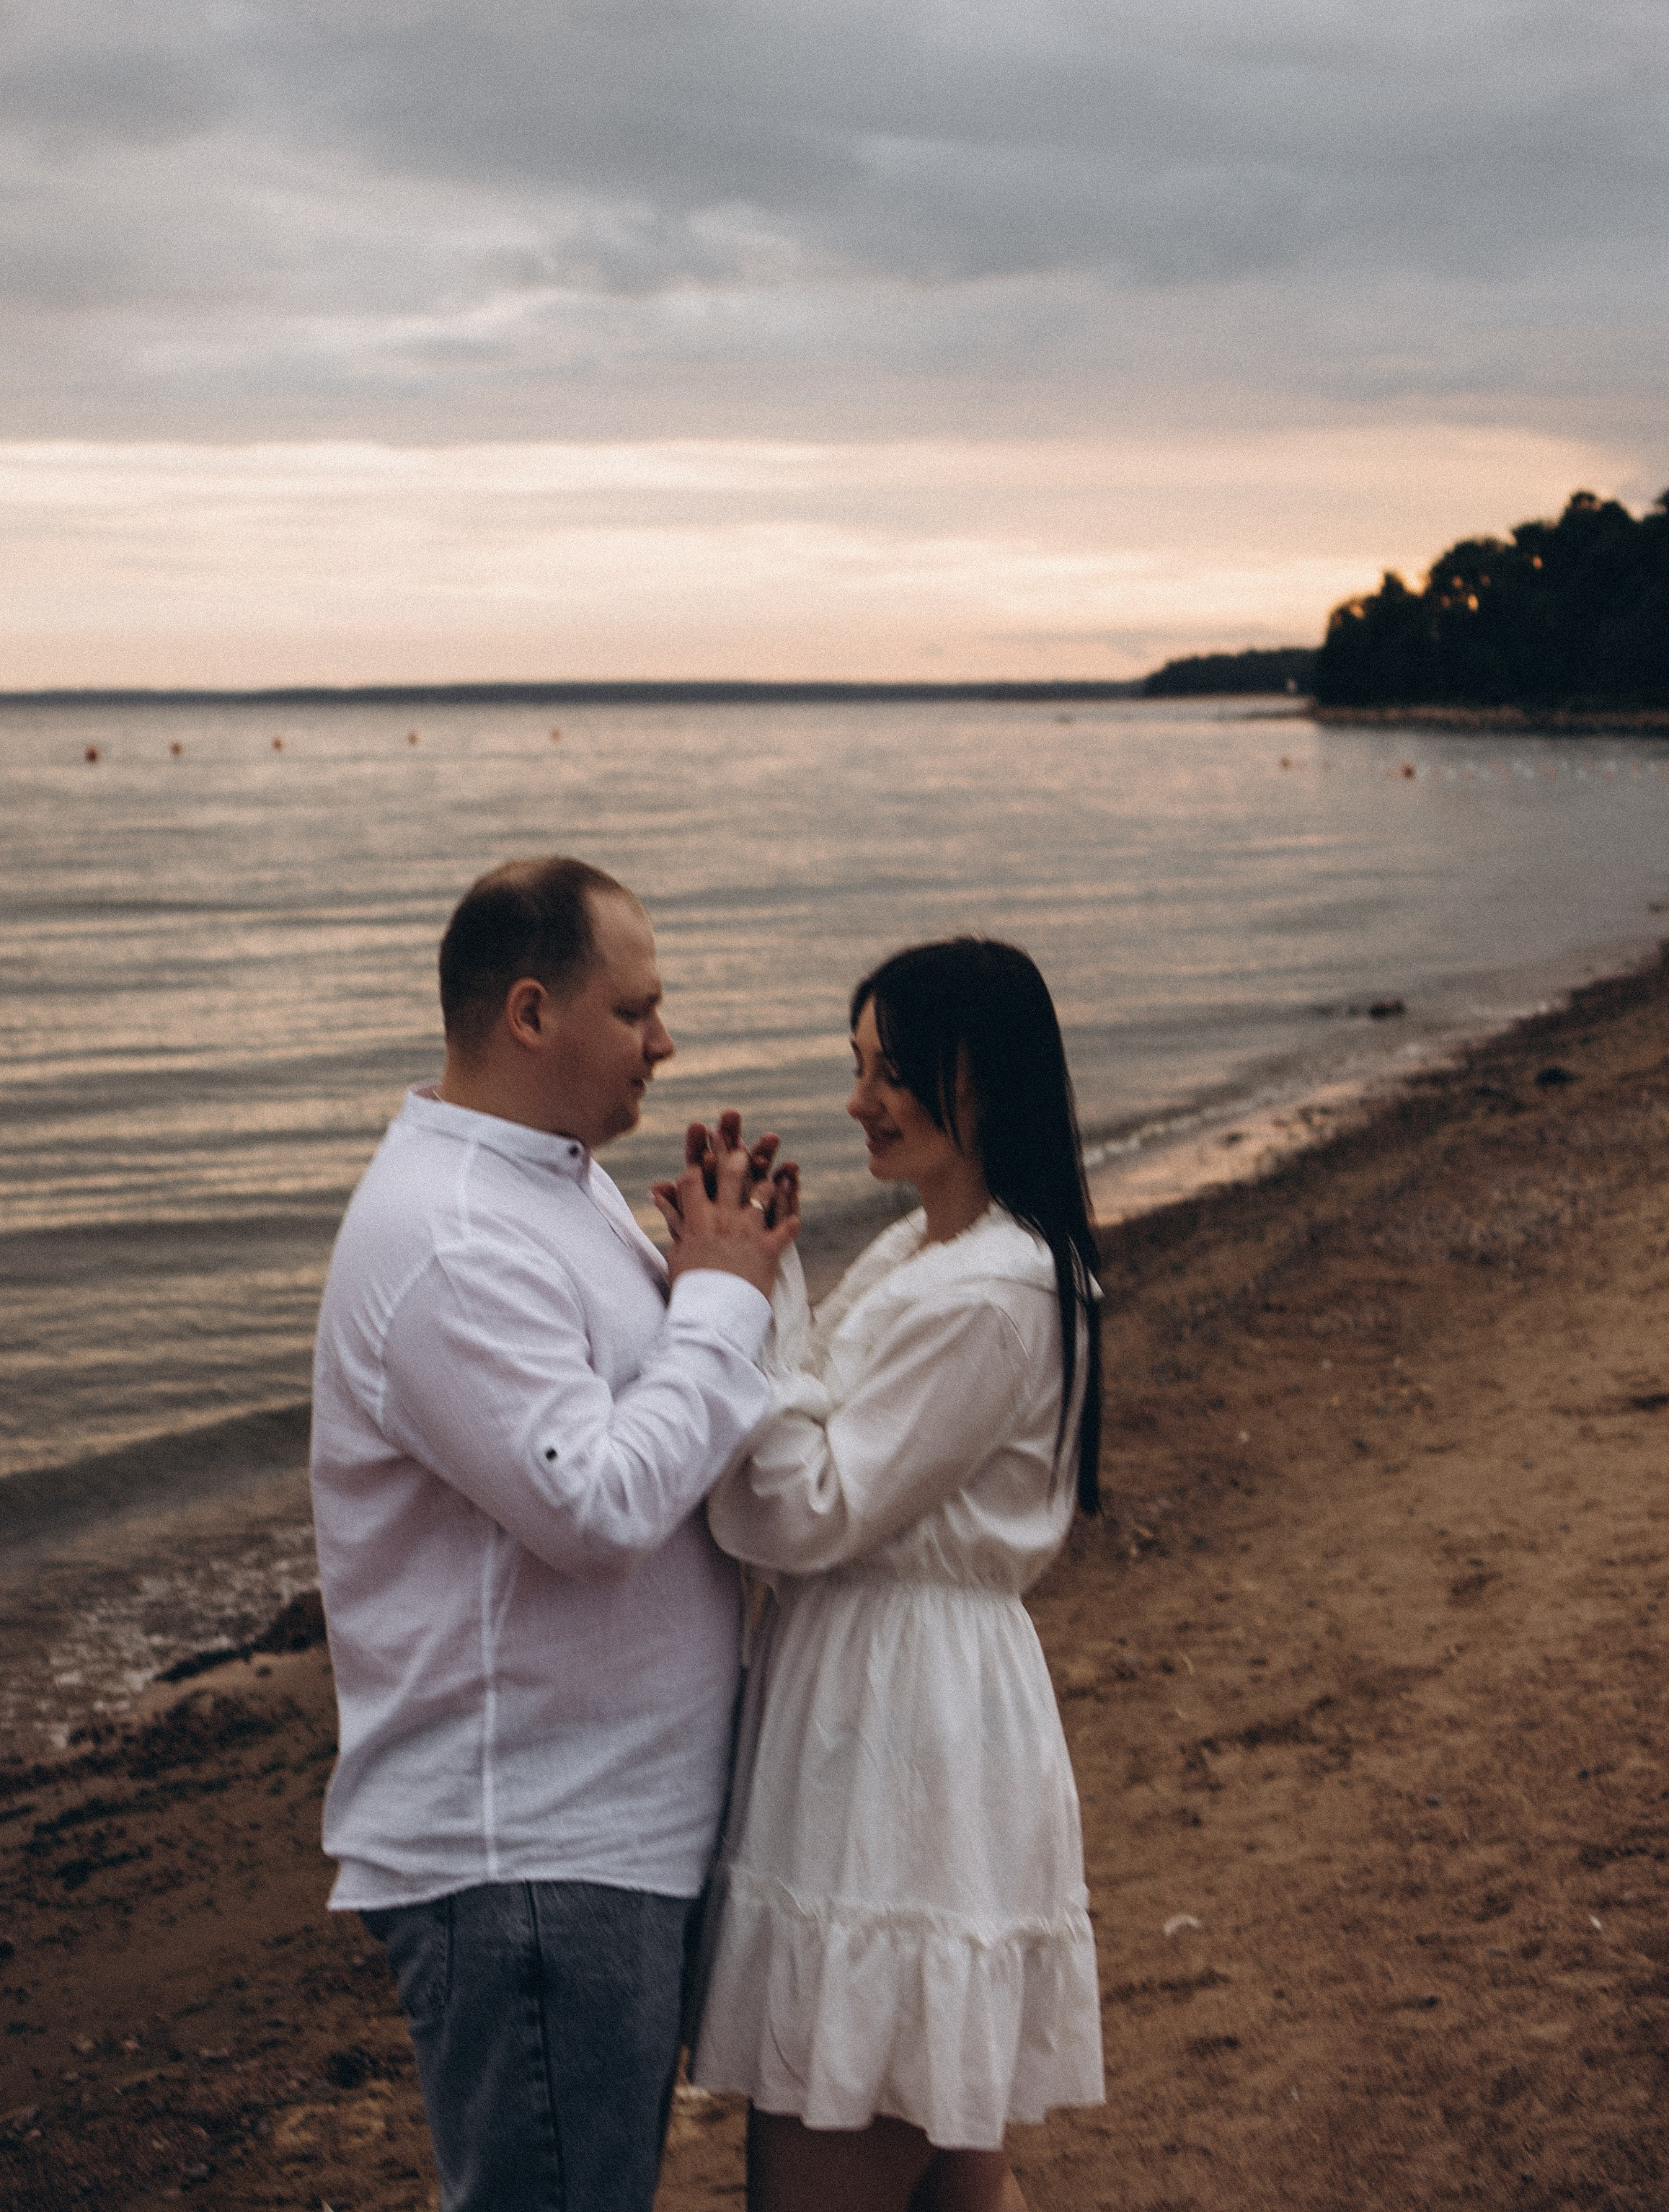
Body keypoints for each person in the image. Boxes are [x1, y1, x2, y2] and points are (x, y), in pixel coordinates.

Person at [310, 856, 798, 2212]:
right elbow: (595, 1504)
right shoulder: (452, 1236)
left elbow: (654, 1423)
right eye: (636, 1010)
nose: (667, 1041)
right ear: (531, 1014)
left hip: (601, 1836)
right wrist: (718, 1304)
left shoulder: (557, 1181)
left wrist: (714, 1266)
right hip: (525, 1854)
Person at [670, 936, 1107, 2212]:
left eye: (893, 1070)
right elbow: (819, 1432)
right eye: (856, 1066)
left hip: (900, 1718)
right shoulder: (935, 1253)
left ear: (984, 1079)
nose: (861, 1100)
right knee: (949, 2164)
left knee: (838, 2126)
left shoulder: (990, 1290)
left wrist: (729, 1301)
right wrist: (756, 1277)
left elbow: (805, 1507)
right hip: (903, 1694)